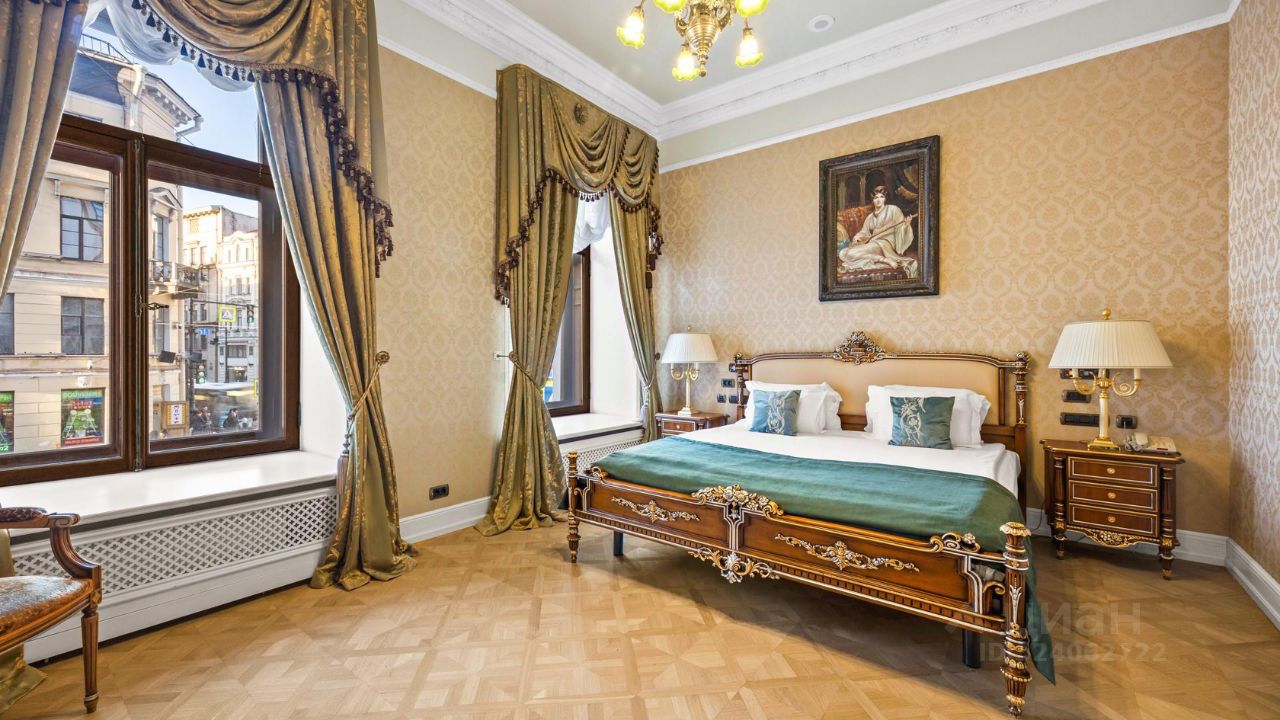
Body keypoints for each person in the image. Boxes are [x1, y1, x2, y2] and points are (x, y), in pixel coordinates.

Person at [838, 185, 918, 278]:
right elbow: (864, 232)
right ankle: (883, 260)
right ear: (873, 200)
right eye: (876, 198)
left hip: (885, 245)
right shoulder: (870, 217)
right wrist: (857, 238)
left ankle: (885, 259)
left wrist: (906, 225)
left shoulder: (893, 210)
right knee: (843, 253)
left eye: (881, 197)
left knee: (851, 254)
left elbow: (900, 229)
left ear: (885, 199)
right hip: (872, 243)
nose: (879, 200)